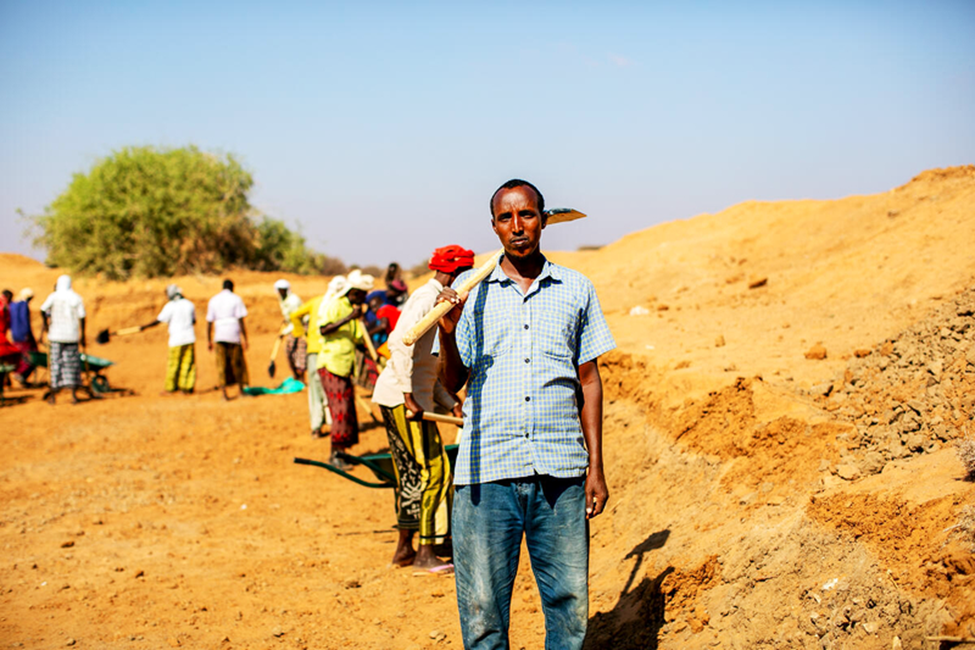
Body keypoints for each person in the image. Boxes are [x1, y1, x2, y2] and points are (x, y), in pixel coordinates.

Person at [436, 180, 616, 649]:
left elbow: (590, 381)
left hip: (560, 473)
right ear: (493, 226)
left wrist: (595, 467)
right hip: (486, 475)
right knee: (483, 615)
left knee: (569, 608)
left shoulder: (576, 289)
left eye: (527, 215)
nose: (518, 227)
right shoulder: (469, 293)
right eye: (505, 218)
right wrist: (450, 333)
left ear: (543, 218)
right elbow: (450, 382)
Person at [372, 245, 473, 570]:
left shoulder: (440, 303)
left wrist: (450, 404)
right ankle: (425, 553)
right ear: (454, 274)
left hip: (415, 397)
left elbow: (427, 367)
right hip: (401, 399)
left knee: (417, 475)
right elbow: (400, 345)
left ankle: (407, 550)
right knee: (435, 471)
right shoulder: (426, 299)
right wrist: (407, 397)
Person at [317, 269, 373, 466]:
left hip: (345, 366)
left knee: (347, 409)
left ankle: (343, 452)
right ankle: (335, 454)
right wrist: (349, 318)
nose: (365, 298)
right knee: (339, 409)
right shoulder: (336, 305)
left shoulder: (353, 310)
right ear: (354, 292)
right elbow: (323, 329)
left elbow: (359, 339)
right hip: (331, 364)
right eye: (363, 294)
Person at [290, 275, 346, 438]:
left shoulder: (317, 302)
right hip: (331, 353)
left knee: (315, 391)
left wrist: (302, 335)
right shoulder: (339, 306)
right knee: (332, 389)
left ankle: (317, 426)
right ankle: (333, 423)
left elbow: (295, 316)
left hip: (315, 351)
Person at [39, 275, 91, 404]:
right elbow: (82, 316)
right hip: (71, 336)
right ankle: (73, 395)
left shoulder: (53, 296)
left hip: (55, 336)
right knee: (72, 364)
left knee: (55, 364)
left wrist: (46, 325)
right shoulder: (76, 297)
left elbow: (42, 309)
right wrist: (83, 334)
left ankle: (53, 396)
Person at [140, 284, 197, 394]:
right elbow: (194, 321)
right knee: (188, 363)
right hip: (189, 338)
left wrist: (145, 326)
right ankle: (187, 387)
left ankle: (171, 388)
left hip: (176, 340)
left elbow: (158, 320)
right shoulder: (190, 304)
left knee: (173, 364)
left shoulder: (170, 306)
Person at [206, 279, 250, 400]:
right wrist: (245, 338)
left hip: (219, 335)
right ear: (232, 287)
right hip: (233, 334)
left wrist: (208, 340)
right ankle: (241, 391)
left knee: (221, 364)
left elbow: (209, 322)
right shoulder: (236, 299)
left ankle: (224, 394)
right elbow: (241, 320)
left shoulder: (213, 300)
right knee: (237, 362)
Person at [274, 279, 306, 382]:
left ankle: (301, 377)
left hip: (301, 327)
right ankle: (296, 375)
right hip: (291, 326)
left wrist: (284, 332)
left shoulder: (294, 301)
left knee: (300, 352)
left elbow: (297, 320)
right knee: (289, 351)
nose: (281, 292)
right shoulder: (282, 300)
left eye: (283, 290)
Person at [9, 288, 38, 385]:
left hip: (15, 335)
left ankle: (20, 375)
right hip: (24, 335)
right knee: (32, 355)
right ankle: (20, 373)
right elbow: (25, 320)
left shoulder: (12, 305)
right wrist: (27, 334)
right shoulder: (24, 305)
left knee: (20, 356)